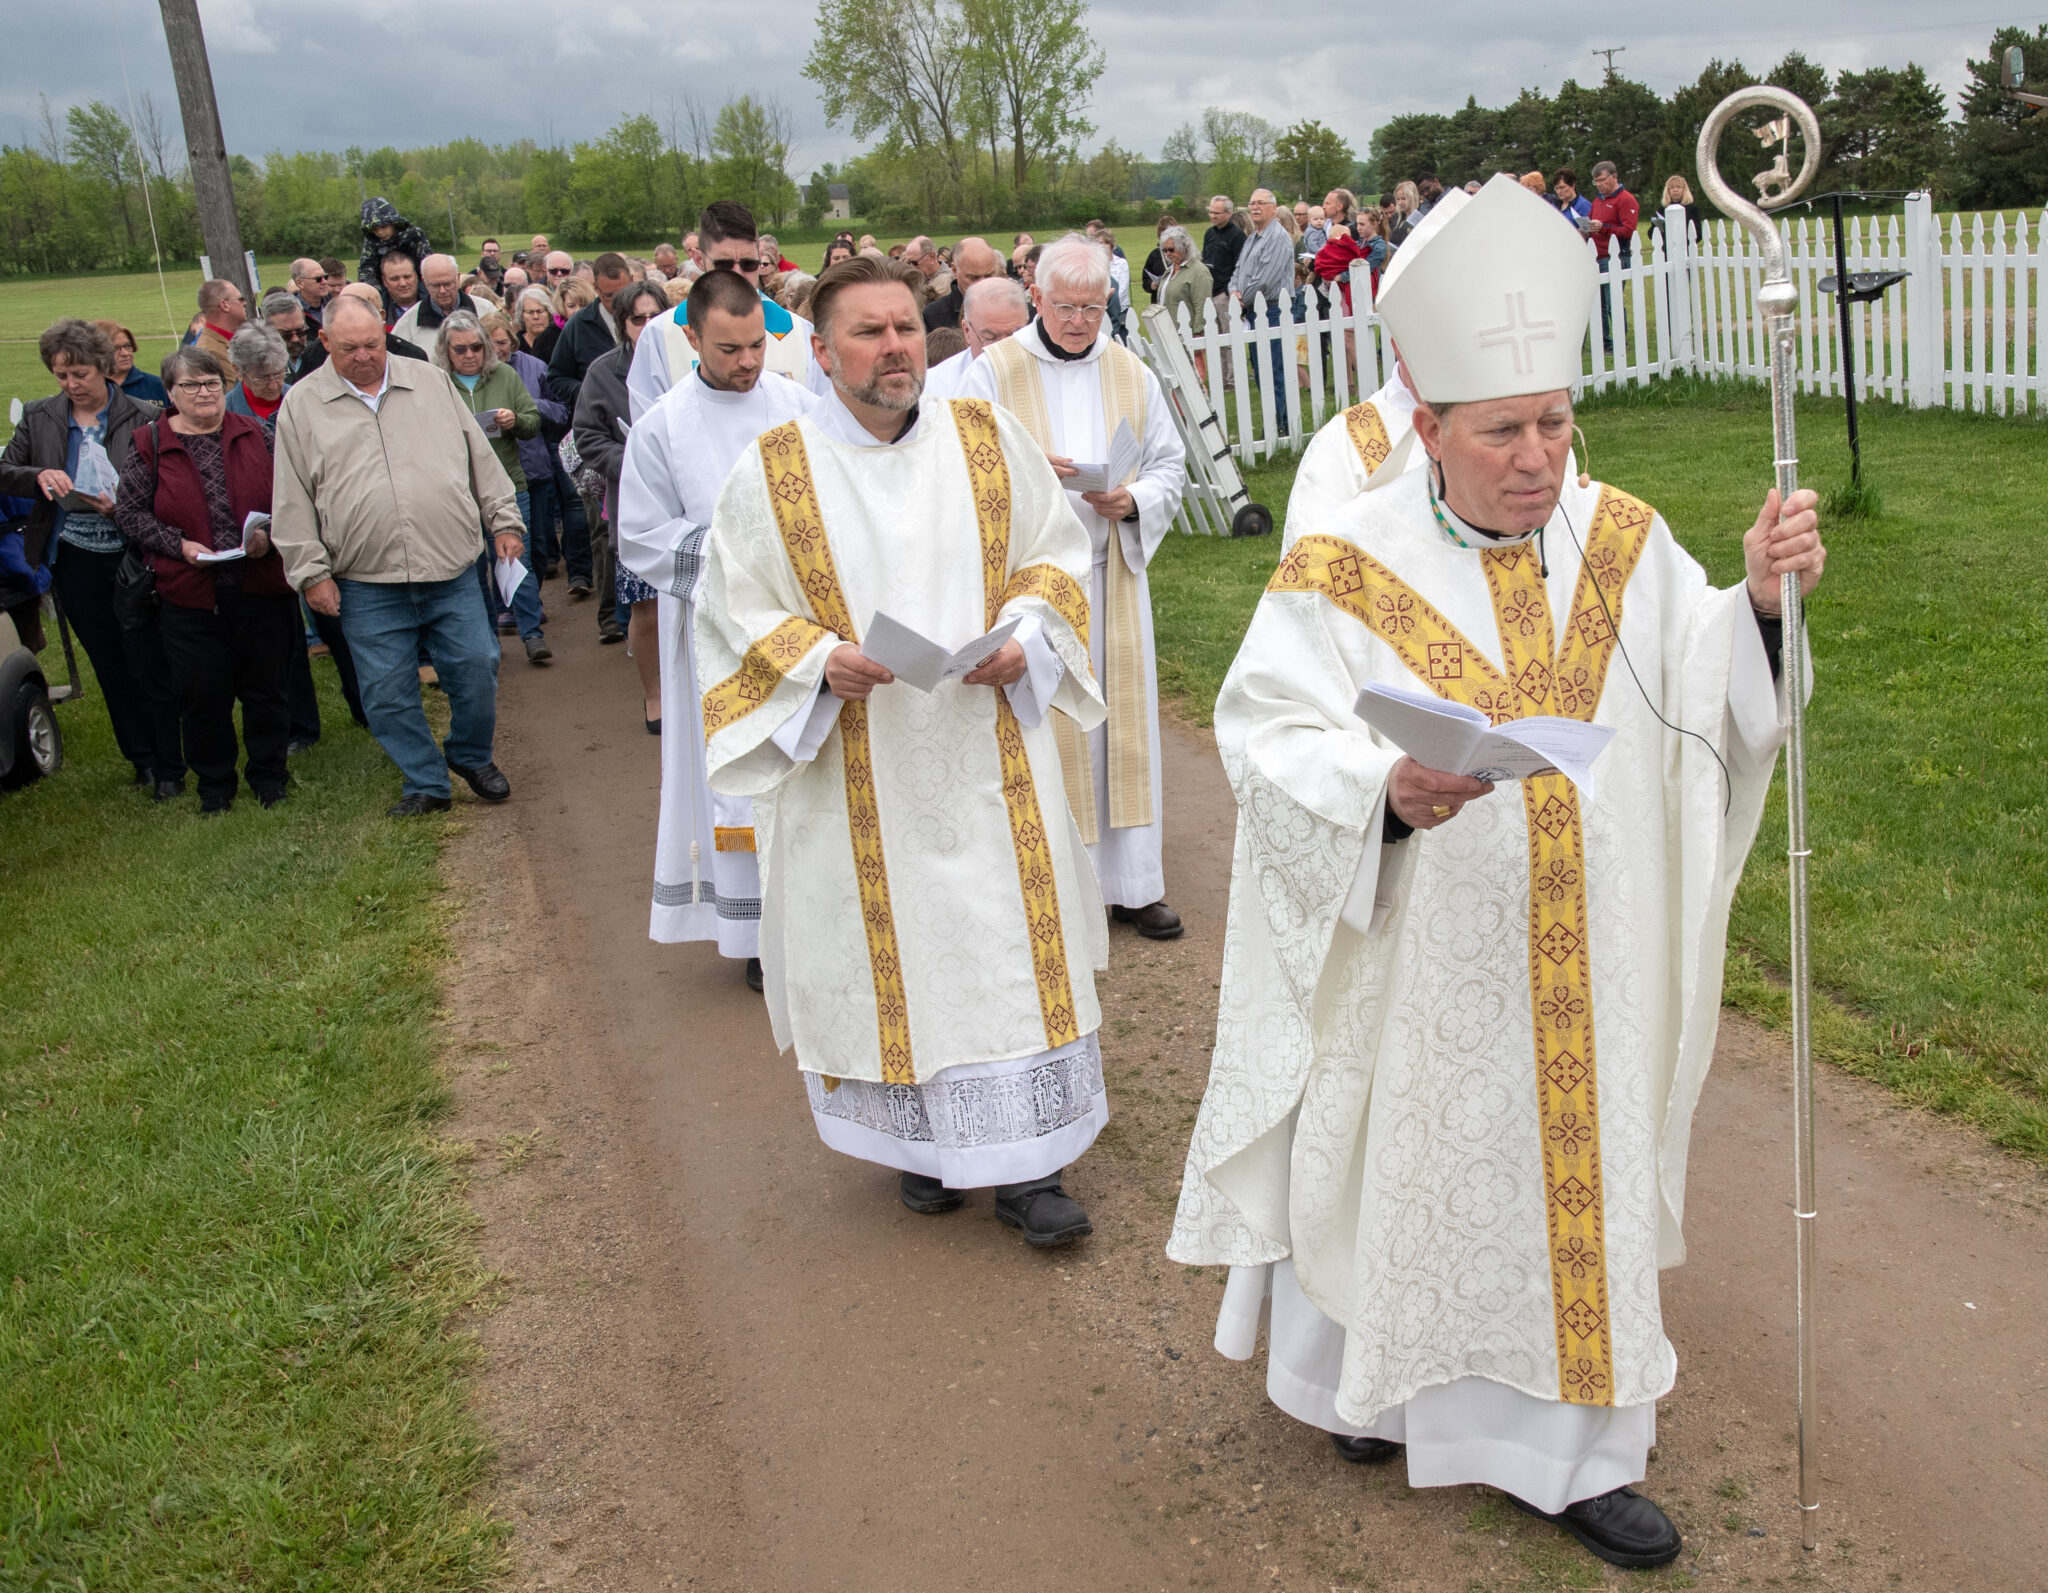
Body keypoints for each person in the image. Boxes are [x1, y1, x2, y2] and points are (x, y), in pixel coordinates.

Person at [1169, 173, 1826, 1572]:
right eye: (1504, 430)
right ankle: (1376, 1385)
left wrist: (1760, 607)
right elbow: (1265, 735)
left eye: (1552, 423)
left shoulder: (1627, 543)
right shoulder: (1343, 569)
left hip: (1591, 954)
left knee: (1562, 1183)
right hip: (1424, 951)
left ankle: (1576, 1460)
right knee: (1404, 1152)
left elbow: (1709, 693)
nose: (1537, 456)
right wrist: (1383, 795)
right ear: (1430, 430)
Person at [697, 254, 1110, 1242]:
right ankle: (921, 1151)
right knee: (899, 956)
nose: (894, 348)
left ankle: (1027, 1170)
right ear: (822, 348)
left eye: (903, 329)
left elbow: (1053, 553)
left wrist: (1024, 635)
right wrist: (814, 662)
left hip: (984, 756)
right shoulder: (776, 471)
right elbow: (732, 611)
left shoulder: (983, 438)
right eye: (867, 332)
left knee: (1001, 947)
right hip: (857, 768)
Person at [963, 233, 1187, 940]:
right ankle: (1055, 887)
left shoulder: (1131, 372)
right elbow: (963, 469)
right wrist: (1028, 471)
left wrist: (1134, 501)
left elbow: (1169, 465)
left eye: (1093, 307)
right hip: (1033, 585)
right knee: (1047, 727)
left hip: (1110, 575)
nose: (1079, 321)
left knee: (1119, 729)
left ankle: (1133, 884)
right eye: (1065, 306)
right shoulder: (994, 372)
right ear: (1036, 295)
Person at [615, 267, 817, 987]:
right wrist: (738, 558)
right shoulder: (662, 426)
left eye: (757, 345)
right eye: (729, 349)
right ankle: (756, 929)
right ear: (691, 337)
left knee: (807, 768)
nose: (748, 363)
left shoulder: (798, 403)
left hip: (800, 622)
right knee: (736, 774)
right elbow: (639, 536)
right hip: (712, 630)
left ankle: (818, 915)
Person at [270, 294, 523, 817]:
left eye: (372, 343)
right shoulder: (301, 403)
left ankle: (470, 755)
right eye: (349, 348)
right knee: (385, 692)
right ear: (324, 343)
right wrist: (311, 574)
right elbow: (290, 497)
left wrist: (502, 518)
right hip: (364, 579)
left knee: (478, 665)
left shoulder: (428, 381)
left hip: (450, 565)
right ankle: (426, 783)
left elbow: (479, 453)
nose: (364, 356)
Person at [0, 319, 183, 796]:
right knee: (108, 662)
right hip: (74, 556)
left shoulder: (144, 414)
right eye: (61, 376)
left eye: (79, 373)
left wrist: (123, 505)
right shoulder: (40, 415)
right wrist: (39, 474)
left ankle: (171, 763)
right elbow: (5, 469)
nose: (71, 385)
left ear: (103, 366)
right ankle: (141, 759)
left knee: (148, 657)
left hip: (133, 551)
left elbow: (172, 485)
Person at [114, 346, 294, 814]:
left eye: (212, 382)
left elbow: (294, 499)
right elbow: (130, 515)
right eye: (190, 385)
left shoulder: (258, 433)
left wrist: (268, 535)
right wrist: (179, 546)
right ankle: (215, 787)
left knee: (266, 687)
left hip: (258, 584)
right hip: (189, 596)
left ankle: (270, 777)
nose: (204, 392)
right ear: (170, 393)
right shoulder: (148, 445)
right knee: (202, 695)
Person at [627, 200, 831, 421]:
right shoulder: (661, 334)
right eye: (724, 264)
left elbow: (822, 422)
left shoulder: (799, 333)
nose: (737, 274)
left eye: (748, 264)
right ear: (698, 259)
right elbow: (648, 426)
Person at [435, 310, 546, 663]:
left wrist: (515, 420)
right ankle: (488, 644)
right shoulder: (436, 383)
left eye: (475, 347)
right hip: (457, 492)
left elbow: (532, 422)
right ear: (446, 352)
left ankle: (533, 635)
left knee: (516, 561)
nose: (469, 355)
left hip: (509, 485)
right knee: (473, 569)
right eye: (460, 350)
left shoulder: (505, 376)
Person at [572, 281, 668, 681]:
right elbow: (587, 436)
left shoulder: (692, 365)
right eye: (637, 318)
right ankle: (655, 695)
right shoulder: (603, 371)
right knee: (646, 608)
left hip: (687, 503)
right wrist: (632, 460)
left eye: (655, 317)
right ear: (622, 324)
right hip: (632, 502)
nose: (646, 325)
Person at [482, 310, 572, 584]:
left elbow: (562, 412)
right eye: (490, 343)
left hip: (535, 470)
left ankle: (532, 601)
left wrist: (529, 408)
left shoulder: (535, 367)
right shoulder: (475, 376)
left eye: (502, 342)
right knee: (499, 545)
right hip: (495, 472)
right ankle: (515, 610)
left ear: (512, 339)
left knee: (538, 547)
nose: (497, 350)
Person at [1231, 189, 1296, 437]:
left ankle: (1281, 426)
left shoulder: (1277, 238)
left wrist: (1241, 300)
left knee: (1274, 370)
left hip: (1273, 311)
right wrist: (1235, 291)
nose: (1255, 207)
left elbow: (1264, 281)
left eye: (1261, 203)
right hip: (1255, 311)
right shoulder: (1253, 238)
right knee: (1261, 372)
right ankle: (1276, 423)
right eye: (1251, 203)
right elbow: (1239, 270)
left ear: (1273, 207)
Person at [921, 275, 1030, 399]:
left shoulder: (1050, 371)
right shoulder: (935, 388)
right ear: (967, 331)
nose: (1003, 349)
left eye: (1014, 335)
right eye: (991, 337)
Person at [1588, 160, 1640, 354]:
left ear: (1614, 176)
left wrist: (1604, 228)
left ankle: (1620, 340)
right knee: (1599, 304)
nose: (1599, 184)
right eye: (1596, 182)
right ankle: (1605, 342)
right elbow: (1595, 222)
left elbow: (1628, 230)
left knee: (1613, 302)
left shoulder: (1626, 200)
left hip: (1616, 256)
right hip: (1598, 256)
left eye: (1602, 180)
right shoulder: (1598, 200)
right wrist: (1587, 229)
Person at [392, 254, 484, 357]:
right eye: (435, 285)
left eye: (447, 284)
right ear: (424, 282)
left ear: (458, 278)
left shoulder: (485, 310)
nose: (442, 291)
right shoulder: (407, 324)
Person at [1156, 224, 1213, 383]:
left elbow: (1202, 304)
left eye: (1171, 250)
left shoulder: (1199, 271)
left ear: (1184, 247)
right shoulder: (1170, 270)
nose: (1167, 254)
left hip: (1188, 336)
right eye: (1164, 250)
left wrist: (1197, 334)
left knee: (1194, 381)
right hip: (1169, 334)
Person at [1202, 195, 1245, 381]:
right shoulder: (1209, 234)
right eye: (1211, 212)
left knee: (1230, 338)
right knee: (1216, 338)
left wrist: (1232, 291)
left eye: (1217, 213)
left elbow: (1241, 266)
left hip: (1225, 293)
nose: (1213, 216)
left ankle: (1233, 377)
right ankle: (1220, 377)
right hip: (1210, 291)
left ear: (1228, 213)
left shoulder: (1237, 236)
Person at [920, 235, 1001, 333]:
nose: (982, 285)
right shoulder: (933, 315)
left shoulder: (1012, 307)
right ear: (954, 270)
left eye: (988, 276)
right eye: (973, 278)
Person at [224, 322, 290, 433]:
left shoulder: (300, 399)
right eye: (263, 378)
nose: (273, 386)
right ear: (238, 371)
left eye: (278, 374)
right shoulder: (224, 414)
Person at [357, 196, 429, 288]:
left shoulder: (414, 234)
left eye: (383, 227)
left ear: (393, 223)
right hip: (384, 285)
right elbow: (366, 268)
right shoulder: (371, 240)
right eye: (375, 229)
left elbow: (427, 261)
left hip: (416, 281)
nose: (380, 232)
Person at [99, 321, 169, 405]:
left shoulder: (158, 385)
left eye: (128, 346)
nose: (125, 353)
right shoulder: (90, 390)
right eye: (115, 348)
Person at [254, 291, 318, 383]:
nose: (295, 339)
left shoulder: (321, 356)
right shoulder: (256, 368)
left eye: (301, 332)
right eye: (286, 335)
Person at [194, 280, 246, 386]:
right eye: (240, 299)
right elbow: (232, 394)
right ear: (224, 305)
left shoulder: (227, 340)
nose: (244, 303)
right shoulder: (211, 352)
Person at [514, 285, 561, 363]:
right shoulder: (515, 345)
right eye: (530, 312)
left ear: (549, 313)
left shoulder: (558, 341)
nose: (536, 317)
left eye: (540, 311)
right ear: (522, 316)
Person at [378, 251, 422, 326]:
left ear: (416, 276)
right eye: (395, 279)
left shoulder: (437, 306)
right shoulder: (375, 313)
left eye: (407, 277)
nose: (403, 284)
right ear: (384, 281)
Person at [1140, 214, 1175, 303]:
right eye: (1163, 234)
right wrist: (1151, 285)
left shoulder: (1182, 254)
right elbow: (1145, 279)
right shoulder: (1154, 255)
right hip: (1158, 301)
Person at [290, 258, 329, 323]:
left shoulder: (334, 304)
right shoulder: (290, 311)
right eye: (318, 279)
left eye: (325, 277)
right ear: (300, 283)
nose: (324, 282)